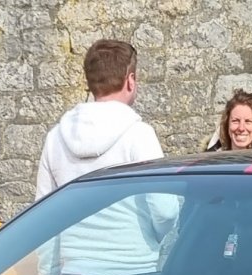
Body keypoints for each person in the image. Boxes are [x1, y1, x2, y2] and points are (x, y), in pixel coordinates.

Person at [35, 39, 164, 198]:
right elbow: (163, 208)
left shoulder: (55, 138)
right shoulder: (139, 134)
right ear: (130, 80)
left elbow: (43, 208)